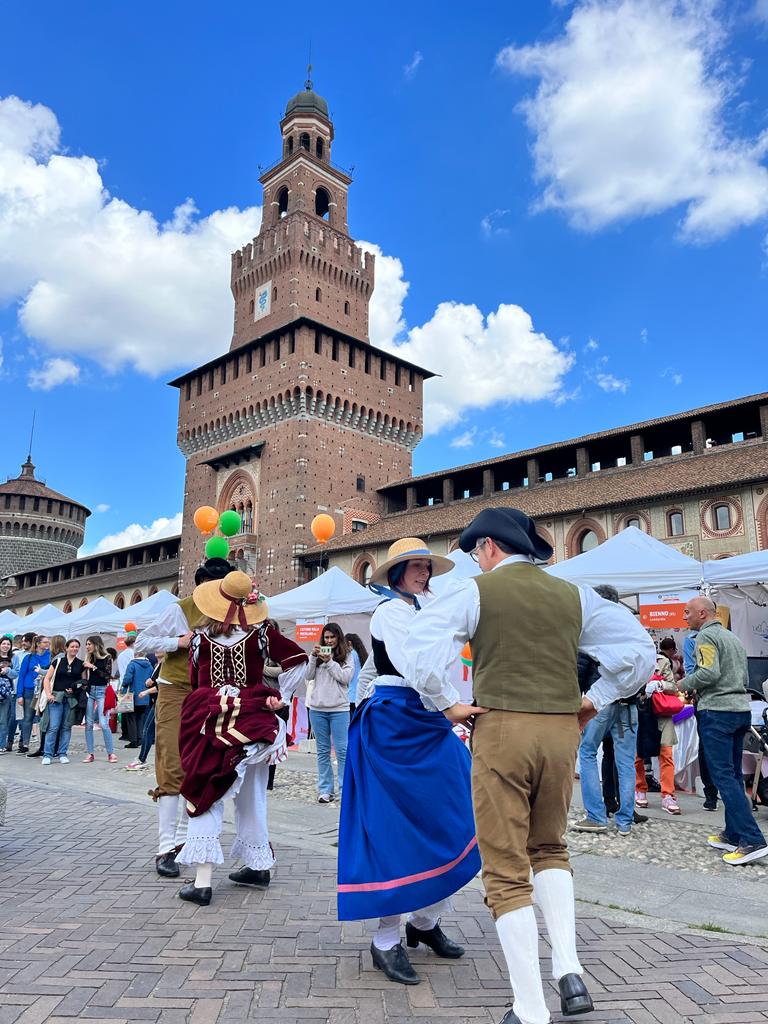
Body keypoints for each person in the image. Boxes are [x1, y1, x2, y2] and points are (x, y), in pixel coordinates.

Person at [398, 509, 655, 1024]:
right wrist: (594, 699)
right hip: (560, 730)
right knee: (551, 848)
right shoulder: (574, 594)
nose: (476, 561)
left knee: (507, 869)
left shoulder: (476, 591)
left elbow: (419, 650)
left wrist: (446, 701)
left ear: (489, 546)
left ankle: (531, 1006)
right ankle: (568, 968)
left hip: (503, 731)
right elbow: (639, 651)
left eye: (476, 553)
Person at [338, 538, 480, 988]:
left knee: (462, 814)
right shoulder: (392, 613)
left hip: (426, 719)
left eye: (426, 567)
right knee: (392, 830)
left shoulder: (424, 609)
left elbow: (386, 672)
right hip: (398, 725)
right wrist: (450, 705)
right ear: (396, 574)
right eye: (415, 567)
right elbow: (414, 668)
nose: (424, 574)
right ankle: (385, 940)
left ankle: (424, 921)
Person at [175, 570, 308, 905]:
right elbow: (299, 661)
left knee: (206, 790)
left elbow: (195, 684)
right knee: (252, 799)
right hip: (256, 724)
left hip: (209, 718)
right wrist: (284, 698)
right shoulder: (261, 634)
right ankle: (257, 866)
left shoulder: (198, 638)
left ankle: (202, 882)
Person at [135, 557, 234, 878]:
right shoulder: (181, 609)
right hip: (175, 691)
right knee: (172, 765)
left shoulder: (232, 615)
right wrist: (176, 642)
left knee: (201, 766)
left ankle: (183, 842)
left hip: (210, 694)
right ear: (201, 583)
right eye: (211, 584)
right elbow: (142, 642)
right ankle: (166, 847)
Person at [680, 596, 768, 866]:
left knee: (723, 777)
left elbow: (707, 674)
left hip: (717, 712)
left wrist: (681, 684)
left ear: (702, 613)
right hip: (739, 709)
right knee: (732, 775)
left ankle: (752, 839)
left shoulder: (704, 638)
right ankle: (733, 833)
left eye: (687, 612)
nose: (685, 618)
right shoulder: (733, 638)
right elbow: (741, 678)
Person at [574, 585, 642, 837]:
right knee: (625, 762)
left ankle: (596, 816)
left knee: (588, 752)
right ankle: (624, 821)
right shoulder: (631, 627)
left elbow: (581, 667)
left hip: (600, 700)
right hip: (628, 702)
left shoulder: (594, 628)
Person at [305, 623, 354, 803]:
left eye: (332, 637)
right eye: (326, 637)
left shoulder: (347, 656)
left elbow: (345, 678)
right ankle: (325, 789)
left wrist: (330, 662)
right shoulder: (317, 657)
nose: (329, 640)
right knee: (322, 751)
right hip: (317, 708)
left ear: (338, 638)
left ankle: (344, 788)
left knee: (342, 751)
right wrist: (313, 656)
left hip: (339, 709)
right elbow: (308, 676)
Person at [634, 645, 682, 815]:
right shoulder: (632, 659)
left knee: (666, 753)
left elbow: (673, 686)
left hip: (661, 712)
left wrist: (659, 684)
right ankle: (639, 788)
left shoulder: (662, 662)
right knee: (638, 754)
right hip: (640, 712)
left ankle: (668, 795)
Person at [41, 638, 84, 765]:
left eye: (77, 647)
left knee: (66, 727)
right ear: (66, 648)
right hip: (56, 697)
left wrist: (76, 689)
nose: (74, 649)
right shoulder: (58, 661)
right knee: (53, 726)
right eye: (72, 646)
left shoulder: (80, 664)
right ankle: (47, 754)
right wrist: (49, 694)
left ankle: (62, 753)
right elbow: (47, 679)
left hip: (71, 699)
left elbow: (83, 682)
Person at [30, 635, 66, 758]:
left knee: (50, 723)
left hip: (52, 692)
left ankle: (48, 749)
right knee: (46, 722)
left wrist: (40, 671)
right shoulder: (56, 656)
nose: (48, 645)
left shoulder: (60, 657)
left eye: (50, 643)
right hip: (48, 691)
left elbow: (52, 674)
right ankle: (46, 748)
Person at [82, 636, 117, 763]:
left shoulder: (107, 657)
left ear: (96, 645)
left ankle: (111, 753)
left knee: (104, 723)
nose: (87, 646)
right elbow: (85, 675)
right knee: (89, 724)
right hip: (91, 692)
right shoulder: (89, 657)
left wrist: (93, 667)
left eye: (89, 644)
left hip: (102, 691)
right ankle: (90, 753)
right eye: (86, 644)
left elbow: (107, 676)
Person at [16, 635, 50, 753]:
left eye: (48, 642)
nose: (47, 644)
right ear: (38, 644)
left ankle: (43, 745)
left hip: (44, 690)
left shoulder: (50, 656)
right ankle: (25, 743)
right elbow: (21, 676)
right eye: (45, 642)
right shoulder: (29, 658)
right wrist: (19, 694)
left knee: (44, 718)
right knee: (28, 717)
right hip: (30, 690)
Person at [127, 658, 161, 772]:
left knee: (148, 729)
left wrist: (146, 691)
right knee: (148, 729)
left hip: (160, 702)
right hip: (154, 701)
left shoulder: (163, 665)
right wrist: (148, 684)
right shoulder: (155, 665)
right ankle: (142, 758)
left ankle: (142, 759)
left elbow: (161, 686)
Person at [121, 650, 154, 749]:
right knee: (141, 717)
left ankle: (133, 740)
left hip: (133, 695)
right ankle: (140, 738)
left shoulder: (132, 664)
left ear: (135, 654)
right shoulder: (150, 665)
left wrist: (123, 685)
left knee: (131, 718)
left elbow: (128, 679)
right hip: (145, 696)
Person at [6, 633, 34, 751]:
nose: (23, 643)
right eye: (22, 641)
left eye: (25, 641)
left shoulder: (33, 656)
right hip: (15, 689)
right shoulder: (17, 654)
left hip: (27, 690)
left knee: (26, 718)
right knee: (13, 717)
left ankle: (23, 742)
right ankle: (9, 741)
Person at [0, 636, 18, 753]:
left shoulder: (14, 658)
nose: (6, 646)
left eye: (8, 644)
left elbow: (16, 673)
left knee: (3, 720)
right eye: (4, 643)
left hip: (6, 692)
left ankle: (1, 745)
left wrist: (7, 670)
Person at [345, 633, 368, 713]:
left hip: (351, 695)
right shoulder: (361, 655)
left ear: (349, 643)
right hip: (361, 694)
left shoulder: (351, 655)